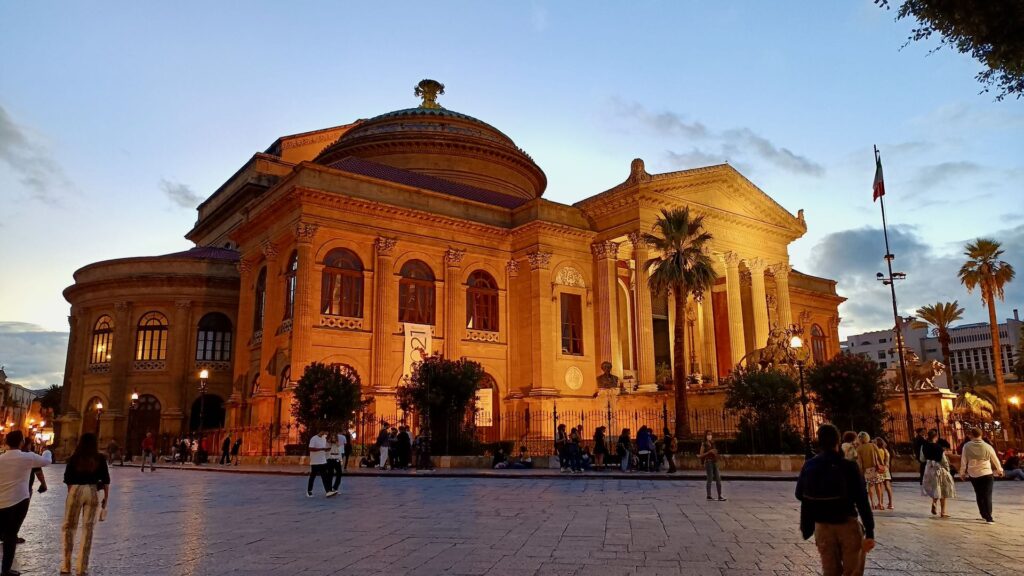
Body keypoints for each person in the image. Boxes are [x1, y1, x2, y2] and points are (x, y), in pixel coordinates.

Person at [796, 424, 875, 576]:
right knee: (853, 571)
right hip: (847, 524)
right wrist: (870, 531)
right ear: (837, 441)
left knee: (830, 571)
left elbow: (799, 494)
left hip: (822, 526)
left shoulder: (810, 465)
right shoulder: (848, 466)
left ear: (819, 442)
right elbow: (862, 500)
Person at [0, 430, 52, 576]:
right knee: (11, 536)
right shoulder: (27, 458)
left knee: (4, 533)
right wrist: (46, 449)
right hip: (19, 501)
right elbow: (47, 461)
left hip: (1, 501)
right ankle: (5, 570)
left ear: (6, 443)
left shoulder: (1, 459)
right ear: (21, 442)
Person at [61, 432, 110, 576]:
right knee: (88, 530)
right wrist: (105, 499)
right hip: (93, 490)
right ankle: (82, 568)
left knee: (69, 527)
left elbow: (67, 479)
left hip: (76, 489)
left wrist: (72, 493)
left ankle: (66, 565)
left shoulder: (74, 458)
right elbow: (106, 480)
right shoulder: (100, 458)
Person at [959, 426, 1003, 523]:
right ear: (981, 435)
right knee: (987, 494)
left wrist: (962, 473)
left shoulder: (966, 446)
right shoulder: (988, 446)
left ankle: (983, 514)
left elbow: (963, 460)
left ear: (971, 435)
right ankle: (989, 516)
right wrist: (999, 470)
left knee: (979, 494)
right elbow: (995, 459)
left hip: (973, 474)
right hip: (986, 472)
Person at [921, 429, 955, 518]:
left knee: (934, 488)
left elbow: (922, 458)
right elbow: (943, 460)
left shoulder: (924, 446)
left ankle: (934, 502)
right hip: (938, 468)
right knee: (942, 489)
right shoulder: (939, 447)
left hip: (929, 467)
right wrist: (948, 469)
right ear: (935, 437)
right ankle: (943, 512)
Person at [854, 432, 882, 511]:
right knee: (878, 486)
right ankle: (880, 503)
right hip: (875, 468)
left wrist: (861, 471)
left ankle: (872, 503)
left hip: (867, 469)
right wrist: (882, 464)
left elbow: (860, 462)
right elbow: (879, 455)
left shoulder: (859, 449)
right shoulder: (873, 445)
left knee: (870, 486)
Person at [698, 430, 725, 501]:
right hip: (708, 462)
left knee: (718, 479)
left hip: (715, 461)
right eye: (708, 435)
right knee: (709, 478)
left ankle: (720, 495)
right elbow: (700, 455)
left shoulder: (713, 443)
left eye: (710, 434)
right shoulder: (704, 444)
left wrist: (715, 453)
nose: (709, 436)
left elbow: (715, 452)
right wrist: (709, 452)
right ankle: (709, 495)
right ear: (705, 436)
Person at [307, 430, 335, 498]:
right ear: (321, 431)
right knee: (312, 476)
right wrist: (321, 449)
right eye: (326, 432)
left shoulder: (324, 439)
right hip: (315, 461)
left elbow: (324, 448)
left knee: (325, 476)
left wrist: (326, 449)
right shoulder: (314, 438)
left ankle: (328, 491)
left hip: (322, 460)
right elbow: (310, 448)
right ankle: (309, 491)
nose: (326, 434)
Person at [873, 438, 893, 510]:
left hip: (879, 469)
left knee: (880, 487)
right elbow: (887, 462)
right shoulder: (886, 451)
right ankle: (890, 503)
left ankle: (880, 503)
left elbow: (875, 461)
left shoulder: (876, 451)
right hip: (886, 469)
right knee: (888, 486)